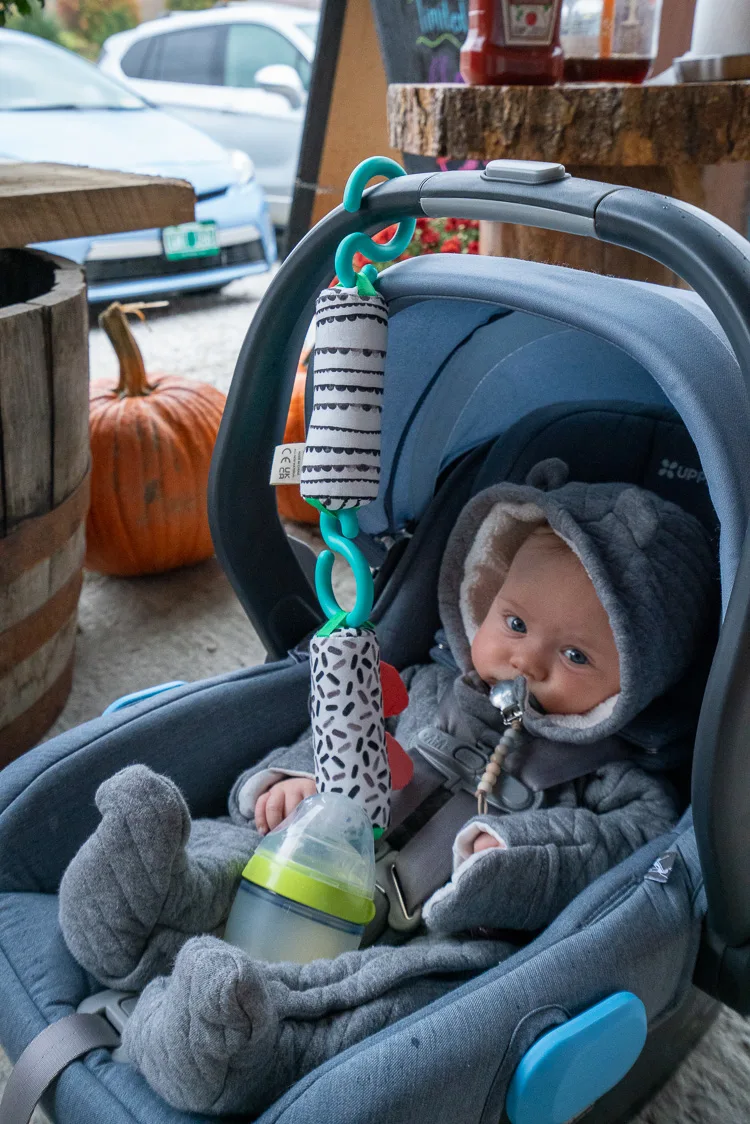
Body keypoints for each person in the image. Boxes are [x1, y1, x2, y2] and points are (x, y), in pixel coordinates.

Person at [58, 460, 717, 1116]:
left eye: (576, 656)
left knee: (390, 1009)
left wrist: (513, 852)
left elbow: (622, 850)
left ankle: (234, 1040)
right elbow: (344, 737)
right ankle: (144, 909)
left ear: (638, 680)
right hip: (317, 863)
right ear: (486, 597)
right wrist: (295, 780)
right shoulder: (429, 690)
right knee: (229, 857)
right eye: (514, 624)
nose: (528, 660)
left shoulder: (618, 780)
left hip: (440, 936)